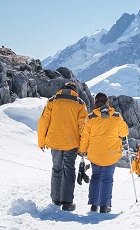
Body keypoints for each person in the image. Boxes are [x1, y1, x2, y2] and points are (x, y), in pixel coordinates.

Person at [37, 81, 88, 211]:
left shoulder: (52, 101)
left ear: (62, 89)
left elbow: (43, 121)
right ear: (74, 90)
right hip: (71, 143)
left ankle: (56, 199)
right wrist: (83, 148)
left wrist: (41, 141)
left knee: (56, 169)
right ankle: (67, 202)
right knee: (69, 170)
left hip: (54, 142)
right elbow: (83, 128)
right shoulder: (79, 103)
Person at [79, 92, 129, 214]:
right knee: (107, 178)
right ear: (107, 102)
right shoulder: (116, 116)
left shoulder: (90, 118)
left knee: (95, 177)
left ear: (95, 103)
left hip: (95, 154)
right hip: (111, 154)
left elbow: (85, 136)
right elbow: (124, 133)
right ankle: (105, 206)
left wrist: (83, 150)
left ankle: (94, 204)